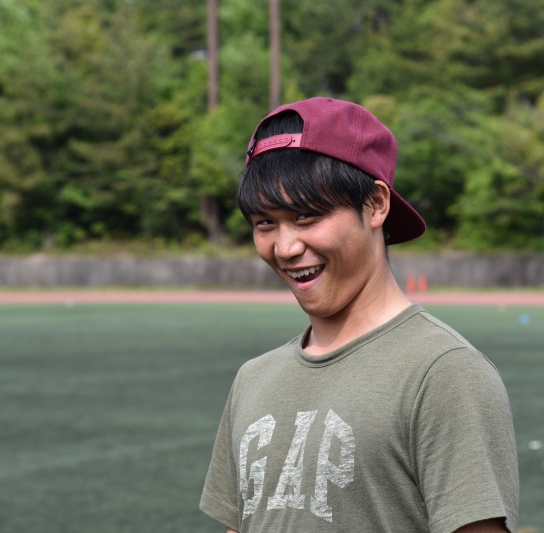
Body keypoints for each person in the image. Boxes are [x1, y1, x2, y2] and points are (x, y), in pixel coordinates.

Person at [200, 97, 519, 533]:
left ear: (375, 204)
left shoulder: (444, 373)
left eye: (306, 216)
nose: (285, 247)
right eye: (264, 223)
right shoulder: (252, 379)